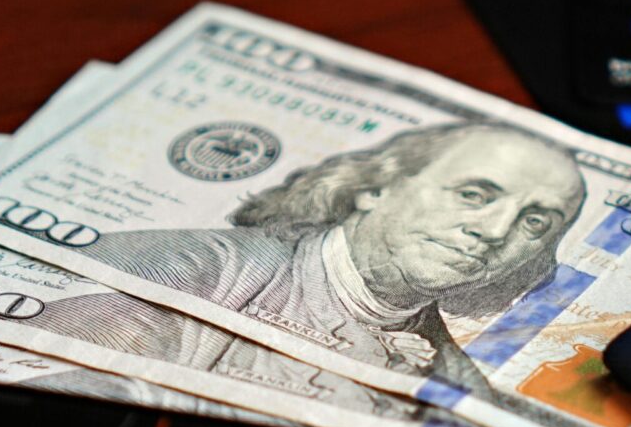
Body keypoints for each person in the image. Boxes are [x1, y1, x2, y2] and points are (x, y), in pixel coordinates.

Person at [30, 121, 587, 409]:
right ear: (377, 187)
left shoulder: (457, 387)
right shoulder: (185, 267)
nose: (495, 231)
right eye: (473, 195)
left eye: (535, 222)